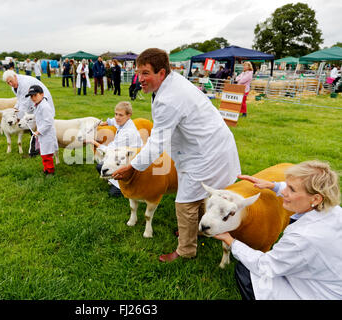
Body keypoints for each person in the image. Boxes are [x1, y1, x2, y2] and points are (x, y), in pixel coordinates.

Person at [112, 48, 241, 263]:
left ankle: (186, 250)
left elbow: (156, 142)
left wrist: (132, 167)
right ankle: (199, 229)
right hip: (207, 145)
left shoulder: (168, 99)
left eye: (145, 73)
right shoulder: (170, 84)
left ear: (161, 73)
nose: (140, 79)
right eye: (138, 72)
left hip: (206, 152)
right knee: (198, 194)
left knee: (185, 202)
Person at [214, 160, 342, 300]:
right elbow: (301, 192)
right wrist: (274, 186)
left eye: (291, 189)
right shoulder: (335, 211)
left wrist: (231, 241)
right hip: (330, 278)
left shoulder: (301, 238)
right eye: (287, 185)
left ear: (316, 198)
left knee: (245, 269)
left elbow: (265, 266)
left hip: (319, 294)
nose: (284, 192)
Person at [87, 101, 143, 197]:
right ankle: (113, 178)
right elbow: (113, 121)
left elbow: (110, 151)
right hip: (119, 156)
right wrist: (104, 123)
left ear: (129, 115)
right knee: (100, 167)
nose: (117, 117)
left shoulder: (127, 133)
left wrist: (94, 142)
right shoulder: (123, 122)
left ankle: (127, 184)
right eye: (116, 114)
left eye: (120, 115)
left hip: (128, 162)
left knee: (113, 194)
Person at [2, 70, 55, 156]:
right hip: (34, 103)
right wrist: (15, 108)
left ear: (15, 76)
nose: (10, 84)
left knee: (42, 125)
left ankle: (40, 149)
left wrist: (17, 118)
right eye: (8, 83)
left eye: (11, 81)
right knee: (34, 124)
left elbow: (24, 103)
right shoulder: (14, 86)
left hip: (41, 101)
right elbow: (20, 99)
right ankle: (38, 147)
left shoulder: (24, 84)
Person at [26, 85, 58, 176]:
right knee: (43, 153)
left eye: (35, 95)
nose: (33, 98)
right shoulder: (38, 105)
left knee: (47, 155)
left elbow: (48, 122)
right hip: (43, 135)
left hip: (47, 134)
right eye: (31, 96)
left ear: (42, 94)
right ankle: (46, 169)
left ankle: (50, 171)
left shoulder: (45, 107)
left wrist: (38, 131)